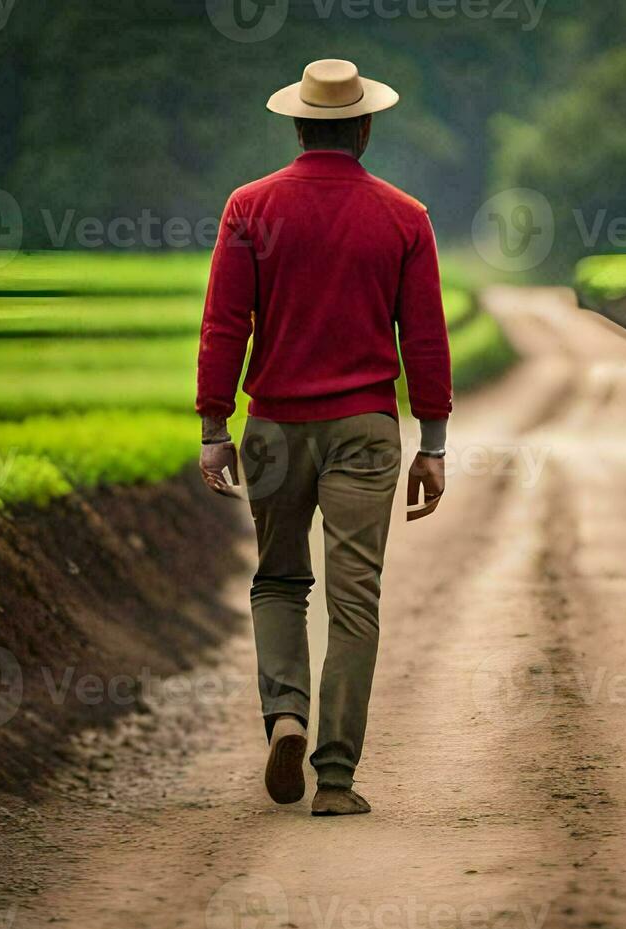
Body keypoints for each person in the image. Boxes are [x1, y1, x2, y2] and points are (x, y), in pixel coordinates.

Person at [195, 59, 451, 817]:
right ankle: (335, 778)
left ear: (298, 124)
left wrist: (215, 426)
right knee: (354, 601)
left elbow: (223, 325)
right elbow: (426, 339)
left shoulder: (249, 207)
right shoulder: (406, 217)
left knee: (279, 580)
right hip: (366, 431)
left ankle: (286, 718)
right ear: (365, 127)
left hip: (274, 427)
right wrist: (432, 442)